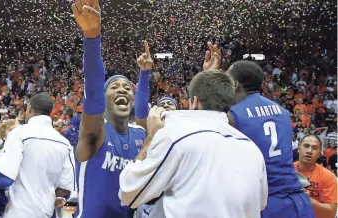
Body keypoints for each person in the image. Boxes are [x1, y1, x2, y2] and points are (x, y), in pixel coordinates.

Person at [119, 70, 268, 218]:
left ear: (194, 102)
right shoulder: (252, 149)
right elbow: (261, 203)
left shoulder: (175, 137)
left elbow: (129, 192)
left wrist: (151, 137)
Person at [71, 0, 147, 217]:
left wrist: (144, 74)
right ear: (104, 99)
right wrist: (92, 37)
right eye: (114, 87)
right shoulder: (95, 133)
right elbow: (93, 94)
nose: (122, 90)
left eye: (127, 88)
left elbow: (144, 115)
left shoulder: (140, 134)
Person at [224, 60, 316, 217]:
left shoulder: (232, 117)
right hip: (297, 199)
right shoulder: (283, 112)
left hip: (264, 203)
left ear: (235, 85)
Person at [0, 93, 76, 217]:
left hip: (17, 213)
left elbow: (5, 178)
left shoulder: (19, 133)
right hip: (46, 213)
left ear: (30, 108)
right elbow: (65, 190)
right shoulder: (65, 143)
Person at [294, 135, 338, 218]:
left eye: (314, 148)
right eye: (306, 146)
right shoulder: (287, 171)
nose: (309, 151)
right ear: (299, 148)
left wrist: (308, 200)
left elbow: (331, 214)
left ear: (319, 153)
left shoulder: (328, 177)